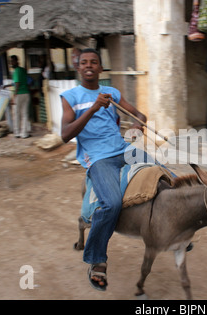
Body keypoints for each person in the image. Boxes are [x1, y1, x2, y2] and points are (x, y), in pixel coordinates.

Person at [60, 48, 147, 291]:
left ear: (100, 68)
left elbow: (140, 114)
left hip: (123, 149)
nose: (89, 65)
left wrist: (138, 124)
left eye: (94, 62)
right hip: (98, 158)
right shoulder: (70, 97)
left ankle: (178, 232)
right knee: (111, 203)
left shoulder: (112, 92)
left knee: (167, 177)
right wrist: (92, 109)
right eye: (84, 62)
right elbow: (65, 135)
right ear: (78, 67)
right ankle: (97, 260)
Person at [4, 55, 31, 138]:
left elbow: (17, 83)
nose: (11, 63)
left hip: (19, 94)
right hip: (26, 93)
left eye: (12, 61)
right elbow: (25, 81)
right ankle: (24, 133)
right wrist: (7, 85)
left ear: (16, 61)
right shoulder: (23, 70)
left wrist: (14, 96)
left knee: (16, 114)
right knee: (24, 114)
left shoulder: (16, 71)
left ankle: (17, 132)